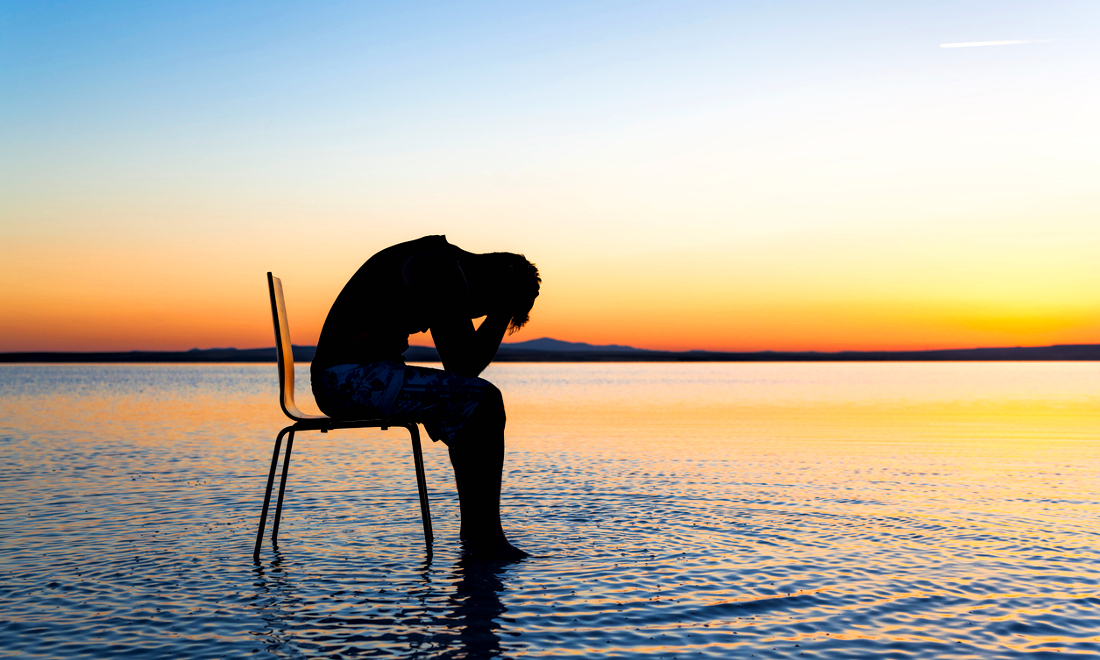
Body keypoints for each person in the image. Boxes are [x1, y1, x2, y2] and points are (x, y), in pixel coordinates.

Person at [311, 235, 539, 560]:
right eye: (487, 309)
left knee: (470, 406)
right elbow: (463, 364)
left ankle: (475, 535)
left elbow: (462, 367)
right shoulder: (439, 266)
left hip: (354, 373)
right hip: (344, 378)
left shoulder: (441, 262)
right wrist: (505, 305)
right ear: (500, 278)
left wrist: (502, 304)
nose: (474, 314)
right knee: (484, 402)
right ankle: (487, 540)